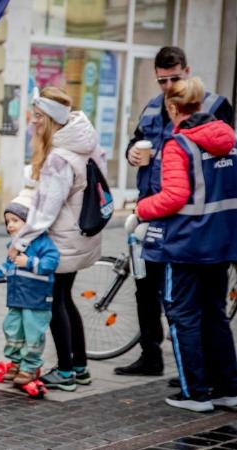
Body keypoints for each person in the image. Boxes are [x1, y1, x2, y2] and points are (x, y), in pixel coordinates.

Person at [116, 46, 234, 378]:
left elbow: (222, 155)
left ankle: (195, 371)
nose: (168, 86)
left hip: (188, 220)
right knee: (146, 287)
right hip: (154, 212)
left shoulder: (213, 106)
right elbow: (135, 141)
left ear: (188, 70)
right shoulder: (153, 107)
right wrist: (131, 155)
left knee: (188, 302)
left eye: (175, 78)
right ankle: (151, 355)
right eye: (162, 80)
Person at [137, 77, 237, 412]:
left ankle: (194, 393)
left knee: (183, 316)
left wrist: (140, 209)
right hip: (220, 245)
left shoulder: (179, 145)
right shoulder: (230, 142)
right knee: (215, 314)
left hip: (184, 244)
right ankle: (226, 388)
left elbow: (174, 197)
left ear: (173, 108)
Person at [11, 86, 106, 392]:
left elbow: (44, 212)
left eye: (38, 116)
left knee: (54, 305)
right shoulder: (84, 143)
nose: (33, 121)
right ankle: (79, 367)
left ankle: (65, 371)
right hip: (79, 234)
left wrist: (21, 240)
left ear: (52, 119)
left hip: (62, 240)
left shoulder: (59, 158)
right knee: (66, 300)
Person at [0, 191, 59, 387]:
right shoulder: (14, 245)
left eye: (15, 220)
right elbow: (9, 265)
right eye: (8, 221)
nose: (10, 225)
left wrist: (29, 262)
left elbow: (51, 263)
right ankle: (16, 363)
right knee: (12, 329)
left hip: (36, 299)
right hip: (17, 298)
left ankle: (30, 366)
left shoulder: (43, 242)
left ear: (31, 222)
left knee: (33, 334)